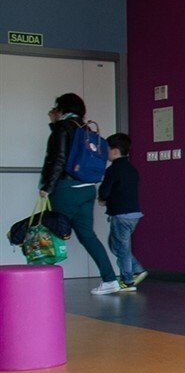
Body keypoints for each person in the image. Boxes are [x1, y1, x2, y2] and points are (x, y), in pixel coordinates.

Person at [38, 93, 120, 294]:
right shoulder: (87, 130)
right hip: (87, 189)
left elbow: (58, 158)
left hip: (67, 189)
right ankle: (110, 279)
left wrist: (47, 186)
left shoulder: (62, 128)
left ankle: (41, 285)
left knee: (49, 234)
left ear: (61, 109)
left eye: (56, 108)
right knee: (87, 235)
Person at [98, 132, 146, 291]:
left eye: (106, 149)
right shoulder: (132, 169)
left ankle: (128, 280)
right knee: (115, 245)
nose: (105, 153)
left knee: (121, 248)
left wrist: (102, 199)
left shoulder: (113, 170)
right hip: (134, 214)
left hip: (121, 215)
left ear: (115, 151)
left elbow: (105, 191)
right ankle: (137, 269)